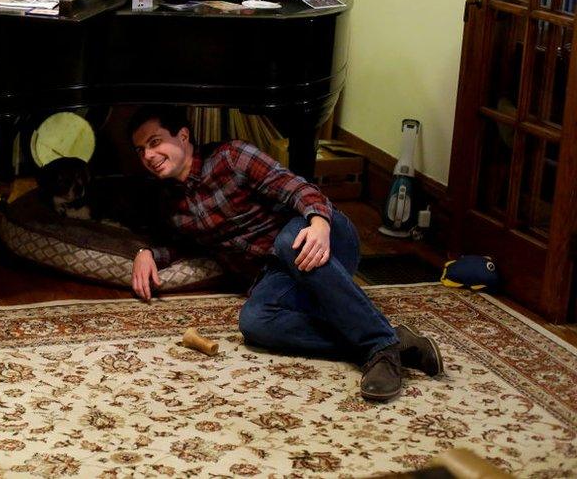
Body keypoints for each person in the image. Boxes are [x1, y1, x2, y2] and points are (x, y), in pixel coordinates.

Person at [127, 106, 443, 402]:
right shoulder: (168, 201)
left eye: (155, 142)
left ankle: (379, 344)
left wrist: (319, 221)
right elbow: (177, 245)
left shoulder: (232, 156)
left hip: (324, 240)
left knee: (288, 239)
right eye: (141, 150)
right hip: (278, 277)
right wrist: (145, 252)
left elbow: (297, 188)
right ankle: (394, 342)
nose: (149, 155)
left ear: (183, 136)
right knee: (254, 322)